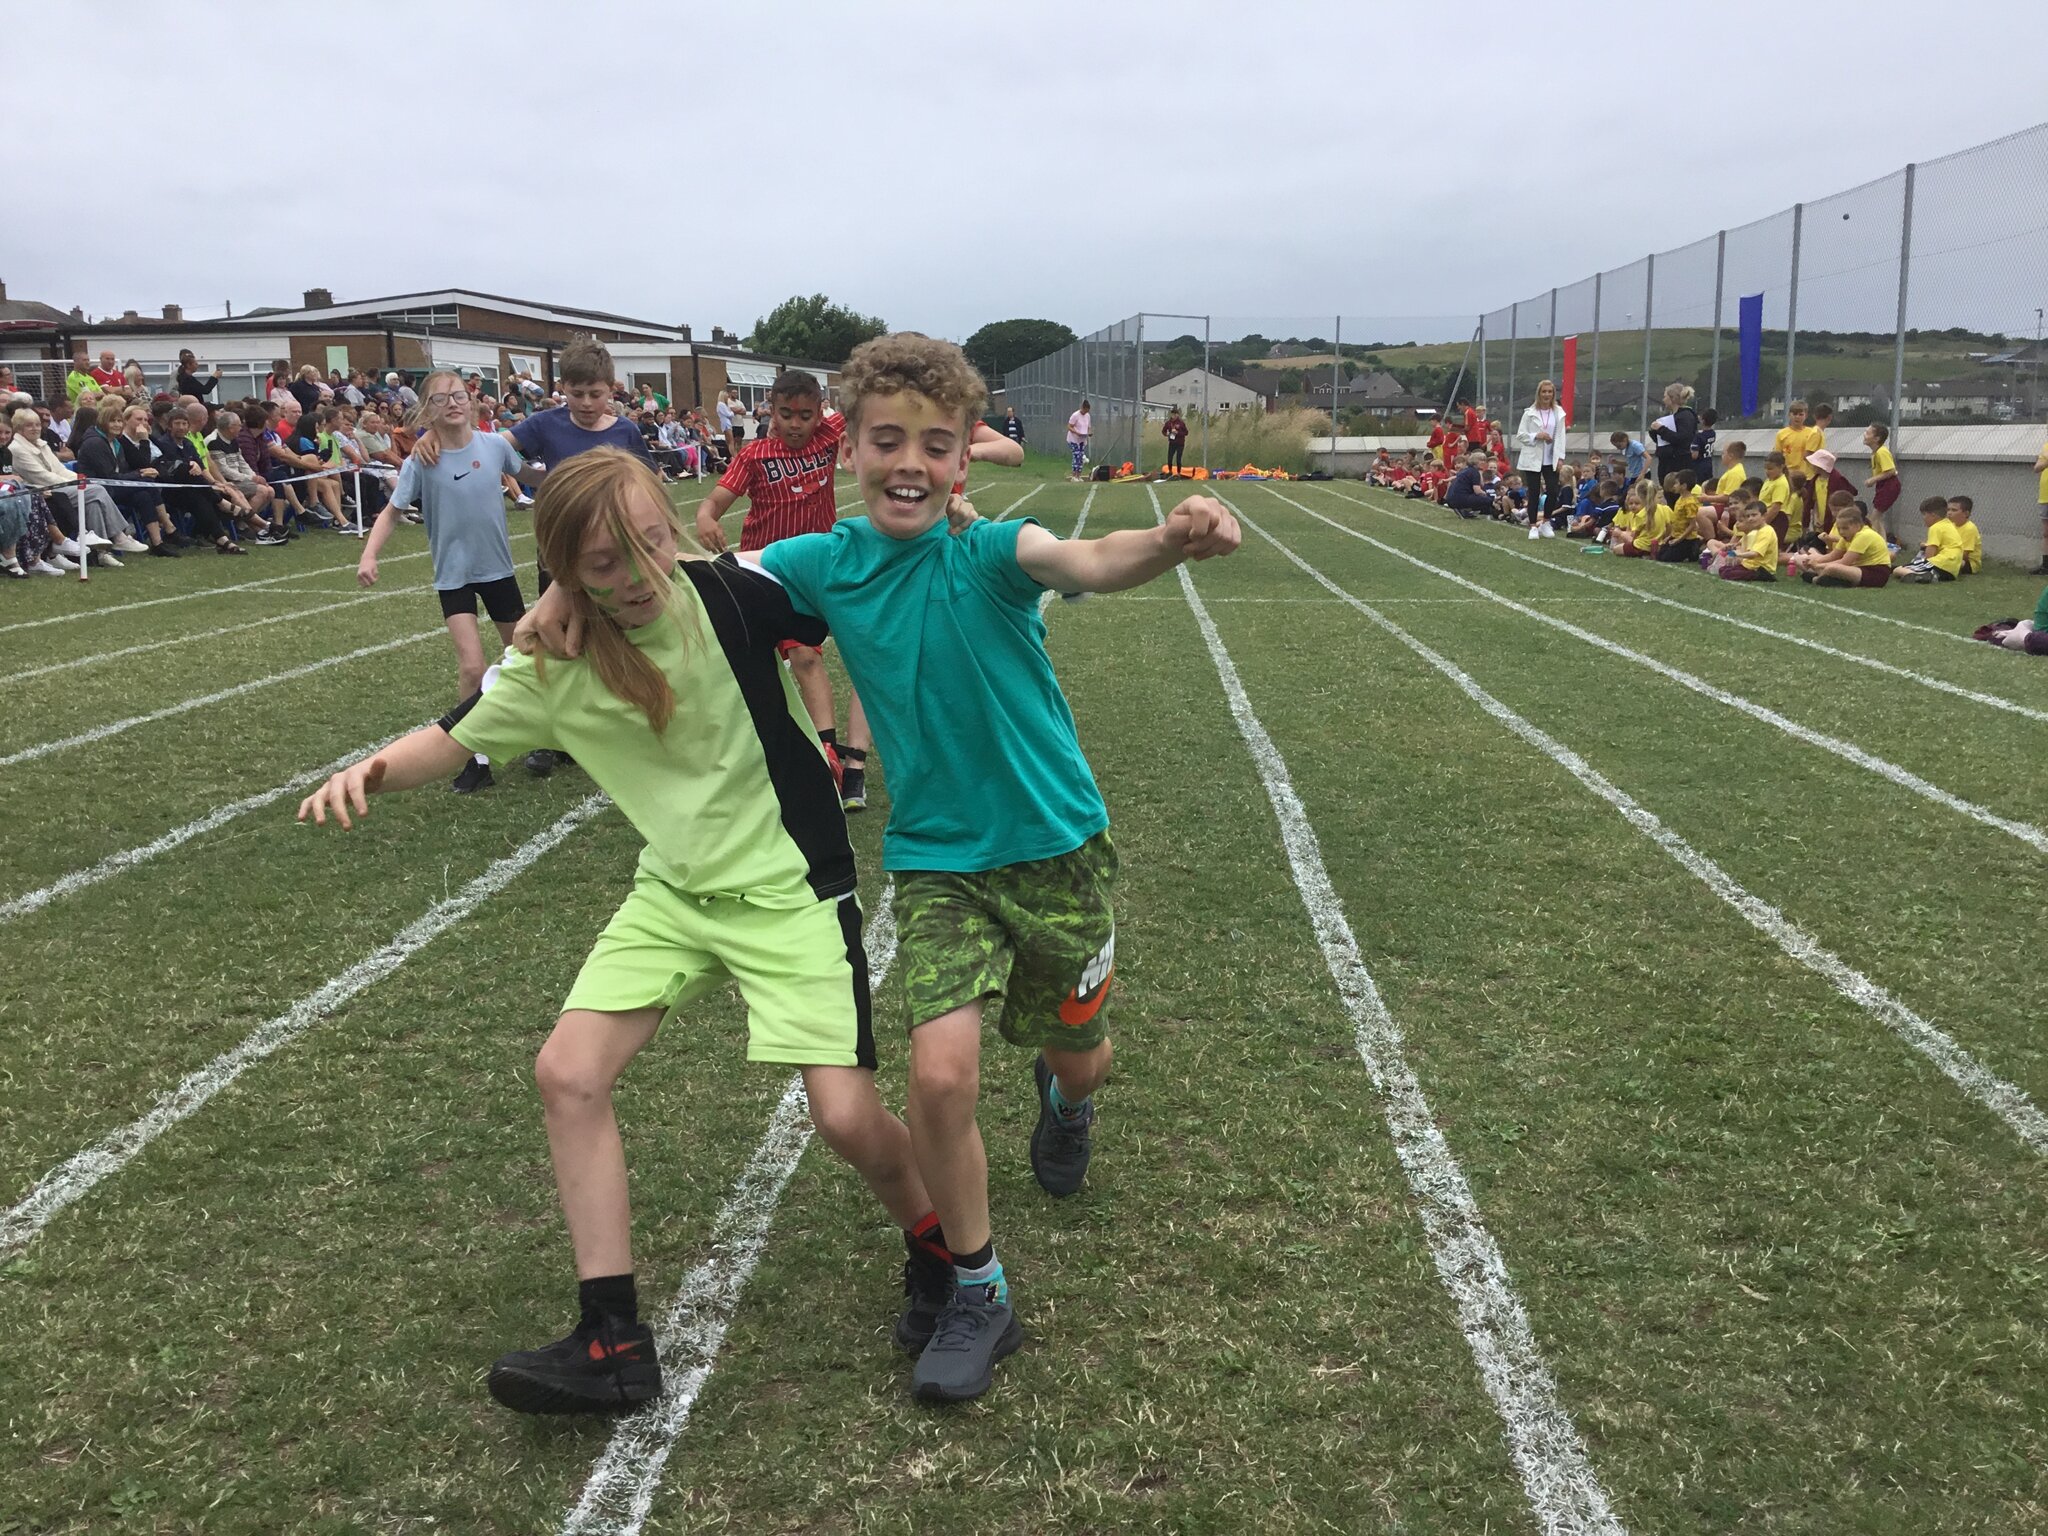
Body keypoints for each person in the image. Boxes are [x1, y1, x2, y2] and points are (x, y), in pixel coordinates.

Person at [519, 332, 1243, 1404]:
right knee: (940, 1076)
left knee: (1080, 1057)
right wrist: (567, 593)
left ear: (963, 460)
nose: (910, 461)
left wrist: (1173, 539)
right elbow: (688, 586)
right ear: (847, 447)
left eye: (936, 444)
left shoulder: (994, 551)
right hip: (938, 862)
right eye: (886, 439)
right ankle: (979, 1291)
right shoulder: (822, 559)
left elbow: (1089, 563)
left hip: (1058, 851)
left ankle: (1067, 1092)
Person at [302, 449, 944, 1417]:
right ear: (563, 567)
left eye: (650, 545)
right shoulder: (551, 655)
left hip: (788, 888)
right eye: (601, 564)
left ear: (672, 528)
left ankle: (939, 1253)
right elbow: (459, 732)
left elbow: (866, 582)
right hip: (674, 893)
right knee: (568, 1072)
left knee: (847, 1122)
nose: (636, 578)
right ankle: (611, 1339)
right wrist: (373, 771)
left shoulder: (731, 597)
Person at [692, 369, 873, 811]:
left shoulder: (830, 434)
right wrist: (706, 518)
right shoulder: (755, 455)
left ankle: (831, 756)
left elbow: (864, 399)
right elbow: (714, 501)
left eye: (805, 415)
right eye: (786, 413)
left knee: (808, 656)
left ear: (819, 413)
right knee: (751, 666)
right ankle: (751, 757)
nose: (796, 423)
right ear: (770, 411)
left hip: (812, 574)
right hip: (761, 572)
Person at [360, 371, 528, 794]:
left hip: (499, 572)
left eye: (458, 396)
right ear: (428, 409)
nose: (452, 404)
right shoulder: (422, 460)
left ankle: (550, 737)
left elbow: (532, 477)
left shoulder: (494, 446)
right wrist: (369, 554)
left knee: (525, 658)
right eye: (440, 399)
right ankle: (477, 759)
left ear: (471, 402)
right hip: (453, 578)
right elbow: (393, 511)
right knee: (472, 666)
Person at [1789, 498, 1892, 586]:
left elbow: (1844, 562)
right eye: (1839, 528)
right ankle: (1826, 578)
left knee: (1832, 568)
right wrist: (1811, 562)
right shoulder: (1847, 536)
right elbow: (1832, 556)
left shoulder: (1863, 535)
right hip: (1857, 568)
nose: (1841, 532)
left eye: (1845, 528)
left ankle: (1817, 579)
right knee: (1800, 558)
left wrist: (1817, 565)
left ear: (1857, 525)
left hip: (1876, 573)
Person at [1515, 379, 1567, 530]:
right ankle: (1532, 525)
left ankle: (1545, 522)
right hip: (1533, 458)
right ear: (1539, 393)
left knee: (1552, 491)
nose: (1547, 395)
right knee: (1534, 492)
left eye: (1549, 392)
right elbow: (1521, 435)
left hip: (1551, 458)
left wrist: (1561, 458)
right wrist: (1537, 435)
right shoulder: (1529, 413)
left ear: (1553, 394)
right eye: (1544, 391)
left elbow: (1562, 436)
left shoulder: (1558, 413)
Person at [1702, 496, 1778, 581]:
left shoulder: (1766, 531)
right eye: (1748, 516)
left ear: (1764, 516)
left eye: (1754, 515)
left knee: (1727, 573)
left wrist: (1736, 554)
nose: (1750, 519)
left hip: (1761, 568)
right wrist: (1729, 548)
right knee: (1724, 570)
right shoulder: (1754, 530)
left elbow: (1754, 554)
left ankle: (1763, 576)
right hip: (1750, 565)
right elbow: (1738, 544)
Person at [1894, 495, 1966, 583]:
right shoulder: (1948, 524)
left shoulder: (1935, 527)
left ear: (1933, 515)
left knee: (1898, 570)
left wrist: (1924, 552)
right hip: (1951, 571)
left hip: (1940, 563)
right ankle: (1929, 576)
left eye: (1924, 515)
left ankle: (1918, 575)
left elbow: (1930, 555)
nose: (1923, 518)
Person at [1649, 381, 1699, 489]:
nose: (1663, 399)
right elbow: (1662, 440)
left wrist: (1661, 429)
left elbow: (1682, 438)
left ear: (1672, 398)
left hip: (1678, 463)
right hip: (1666, 462)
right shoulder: (1670, 416)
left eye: (1665, 396)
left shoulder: (1686, 416)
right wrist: (1654, 431)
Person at [1863, 423, 1901, 535]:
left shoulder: (1882, 452)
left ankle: (1873, 543)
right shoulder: (1875, 453)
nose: (1864, 435)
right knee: (1878, 519)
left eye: (1868, 433)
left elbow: (1891, 471)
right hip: (1883, 485)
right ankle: (1883, 545)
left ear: (1877, 438)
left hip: (1889, 485)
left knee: (1873, 518)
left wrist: (1873, 479)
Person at [1443, 452, 1493, 519]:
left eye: (1484, 460)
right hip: (1460, 498)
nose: (1483, 462)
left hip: (1451, 498)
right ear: (1475, 461)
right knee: (1488, 500)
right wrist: (1487, 495)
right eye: (1481, 460)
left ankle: (1465, 510)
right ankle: (1464, 509)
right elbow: (1477, 490)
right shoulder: (1474, 472)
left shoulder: (1466, 470)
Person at [1947, 495, 1982, 576]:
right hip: (1950, 555)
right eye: (1948, 509)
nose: (1949, 513)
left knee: (1944, 562)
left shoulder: (1969, 528)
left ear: (1966, 513)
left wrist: (1944, 555)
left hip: (1968, 563)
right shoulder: (1949, 525)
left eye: (1954, 510)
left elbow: (1964, 555)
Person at [1065, 398, 1092, 481]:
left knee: (1080, 458)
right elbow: (1069, 426)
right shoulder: (1075, 415)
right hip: (1074, 439)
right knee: (1077, 455)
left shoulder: (1087, 416)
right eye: (1085, 410)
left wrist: (1089, 432)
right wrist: (1076, 432)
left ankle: (1078, 475)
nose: (1086, 412)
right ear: (1082, 408)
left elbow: (1088, 426)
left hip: (1082, 440)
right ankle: (1074, 476)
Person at [1161, 405, 1188, 475]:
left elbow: (1186, 432)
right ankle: (1170, 471)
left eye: (1175, 414)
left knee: (1178, 459)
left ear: (1177, 415)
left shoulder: (1181, 423)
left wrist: (1178, 433)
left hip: (1180, 443)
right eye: (1172, 414)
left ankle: (1179, 473)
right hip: (1172, 443)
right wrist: (1167, 434)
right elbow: (1163, 431)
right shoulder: (1168, 423)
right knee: (1169, 458)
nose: (1173, 416)